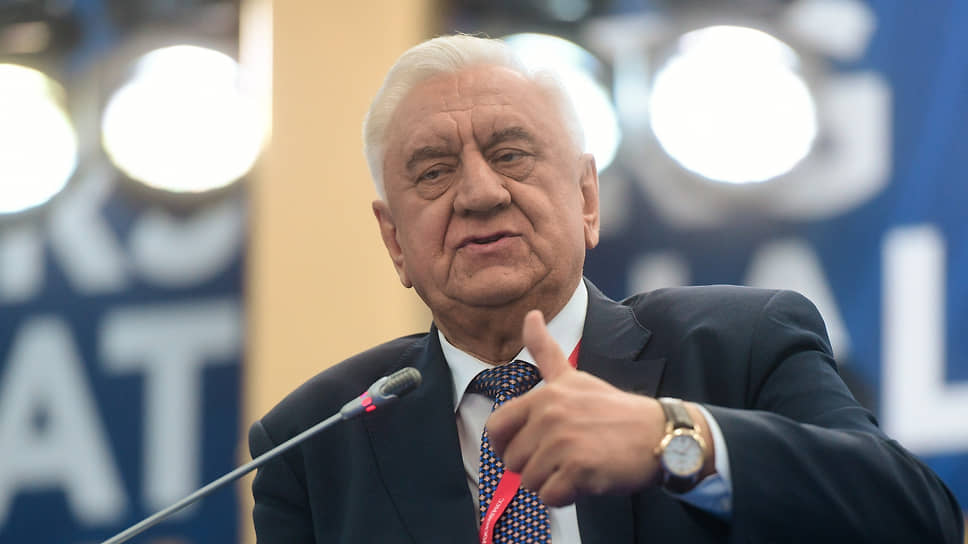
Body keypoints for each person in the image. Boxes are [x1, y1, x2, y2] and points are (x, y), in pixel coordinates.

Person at [249, 34, 964, 543]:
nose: (480, 193)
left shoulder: (740, 346)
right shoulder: (313, 443)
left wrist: (673, 441)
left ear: (587, 199)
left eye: (511, 154)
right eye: (434, 172)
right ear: (395, 241)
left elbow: (916, 518)